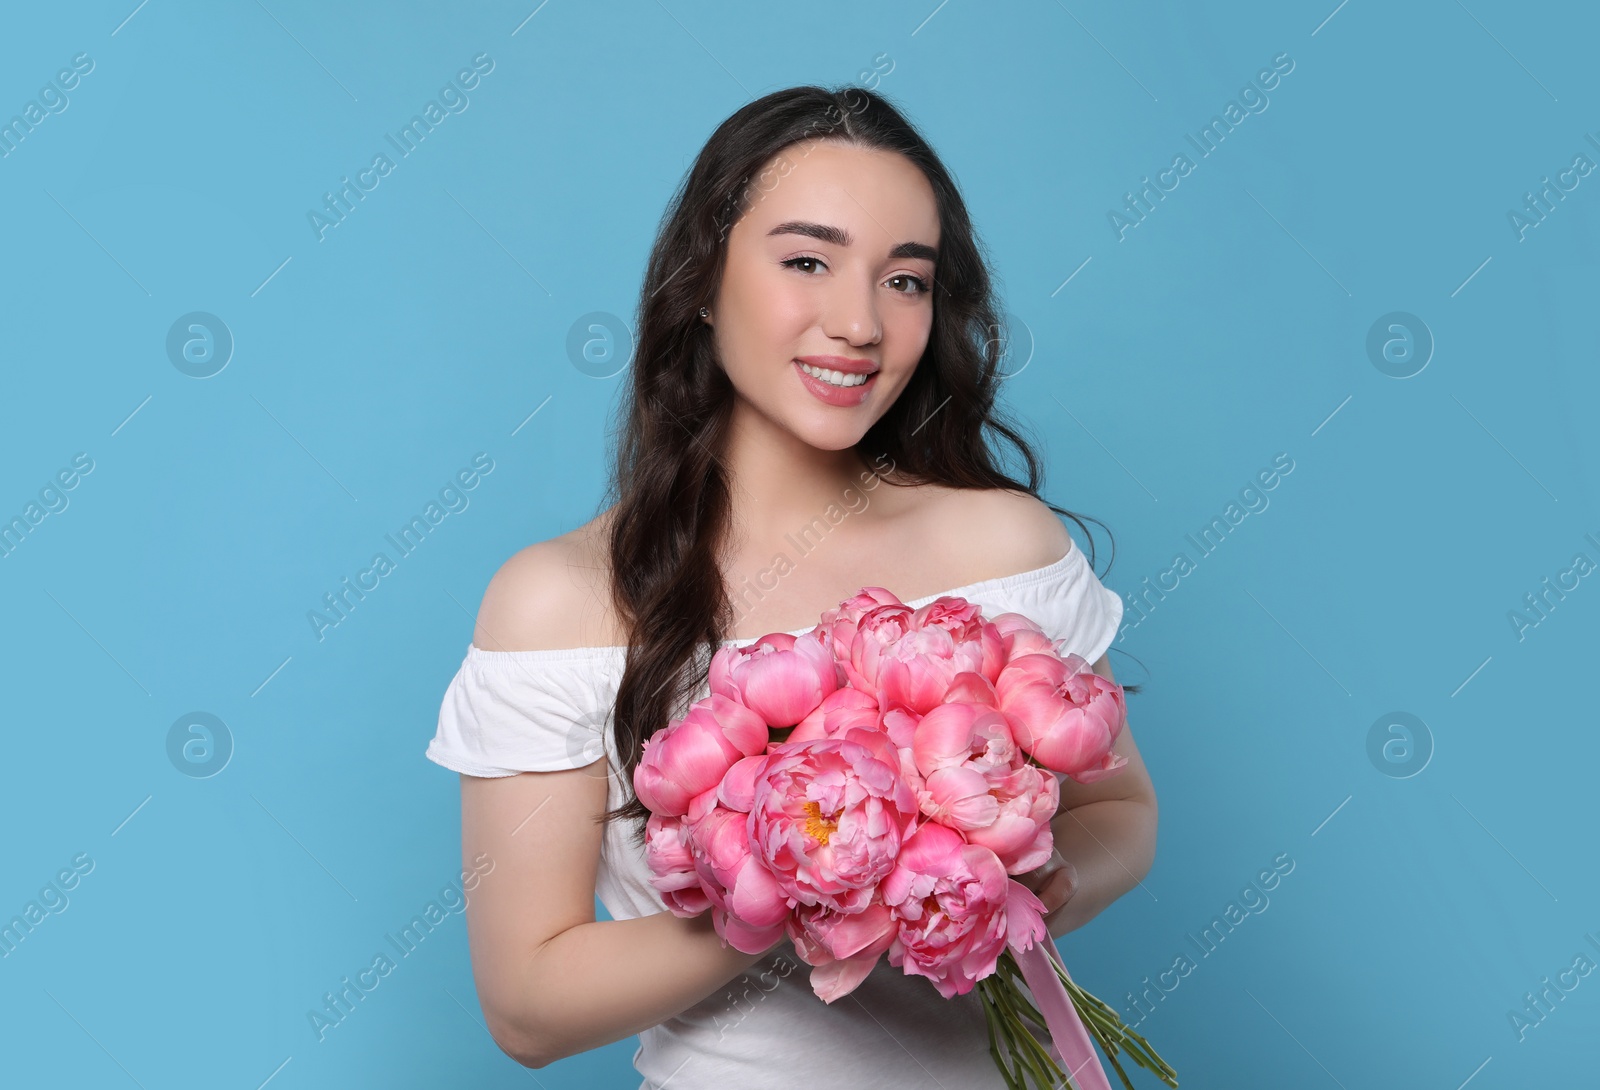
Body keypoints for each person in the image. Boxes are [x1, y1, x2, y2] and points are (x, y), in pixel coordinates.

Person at [425, 84, 1158, 1088]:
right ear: (700, 282)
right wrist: (811, 886)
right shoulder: (559, 600)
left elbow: (1120, 811)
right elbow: (526, 1004)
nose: (858, 322)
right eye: (806, 261)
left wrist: (988, 892)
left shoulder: (1001, 542)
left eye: (905, 280)